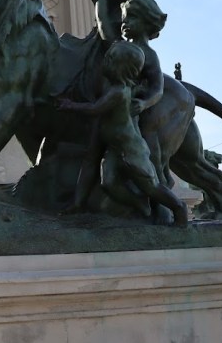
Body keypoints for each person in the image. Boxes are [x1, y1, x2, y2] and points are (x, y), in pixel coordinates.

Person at [57, 41, 187, 225]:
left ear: (121, 68)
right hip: (116, 149)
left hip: (132, 151)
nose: (105, 61)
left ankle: (178, 208)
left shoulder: (118, 92)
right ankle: (140, 205)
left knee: (151, 186)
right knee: (108, 183)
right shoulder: (118, 87)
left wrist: (71, 105)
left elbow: (95, 108)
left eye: (110, 59)